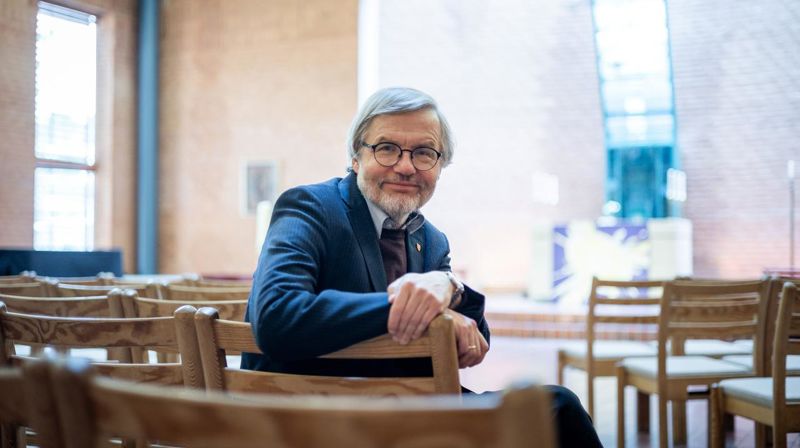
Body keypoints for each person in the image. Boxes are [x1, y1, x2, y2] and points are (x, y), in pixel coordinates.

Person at [242, 87, 602, 447]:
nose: (405, 166)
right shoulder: (311, 207)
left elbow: (474, 338)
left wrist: (451, 289)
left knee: (556, 409)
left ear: (440, 166)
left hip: (403, 408)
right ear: (355, 158)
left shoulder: (431, 240)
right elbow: (277, 318)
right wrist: (408, 304)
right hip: (311, 417)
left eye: (424, 153)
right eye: (386, 148)